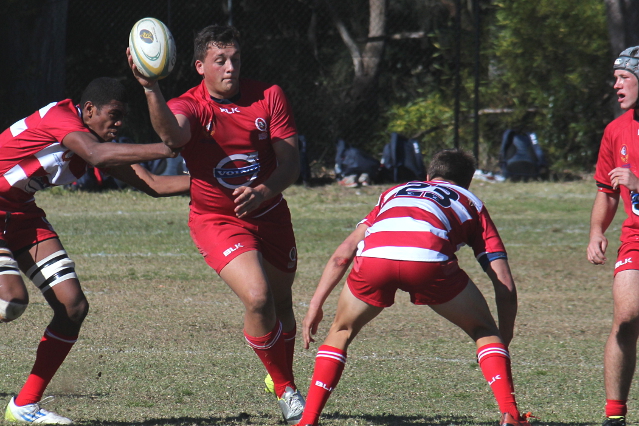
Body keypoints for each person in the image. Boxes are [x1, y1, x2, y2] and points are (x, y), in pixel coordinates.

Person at [127, 25, 304, 424]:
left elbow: (290, 162)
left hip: (271, 214)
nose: (230, 67)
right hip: (217, 219)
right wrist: (149, 87)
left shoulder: (269, 95)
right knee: (258, 299)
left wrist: (264, 190)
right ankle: (286, 389)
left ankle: (280, 378)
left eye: (235, 59)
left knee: (282, 304)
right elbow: (172, 135)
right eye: (220, 60)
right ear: (199, 66)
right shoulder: (190, 104)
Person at [0, 76, 190, 424]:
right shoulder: (61, 118)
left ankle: (24, 405)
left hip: (20, 214)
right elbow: (97, 155)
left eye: (122, 118)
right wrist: (168, 146)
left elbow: (153, 184)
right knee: (10, 302)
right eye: (113, 115)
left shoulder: (97, 143)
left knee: (73, 306)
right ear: (88, 110)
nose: (118, 124)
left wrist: (219, 184)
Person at [295, 149, 532, 426]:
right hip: (427, 261)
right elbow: (504, 283)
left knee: (341, 330)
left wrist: (315, 305)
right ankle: (510, 415)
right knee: (483, 331)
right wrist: (502, 339)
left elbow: (343, 253)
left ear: (428, 176)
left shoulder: (395, 192)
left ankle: (308, 420)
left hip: (374, 260)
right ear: (467, 183)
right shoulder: (471, 202)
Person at [587, 46, 639, 426]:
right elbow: (606, 191)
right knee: (626, 318)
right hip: (636, 237)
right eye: (615, 77)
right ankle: (614, 416)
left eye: (624, 77)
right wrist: (596, 231)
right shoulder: (616, 130)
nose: (616, 84)